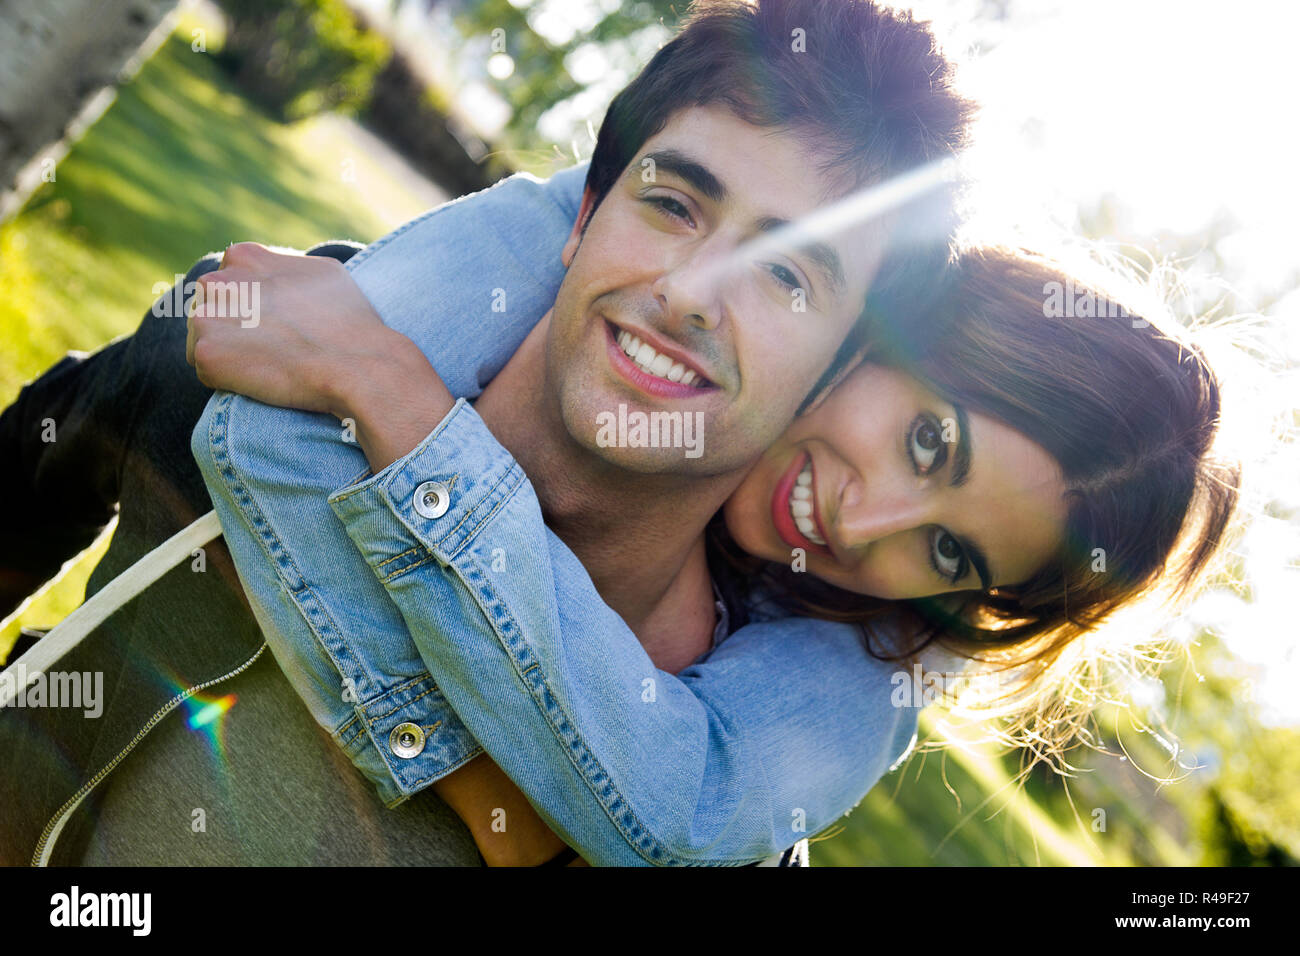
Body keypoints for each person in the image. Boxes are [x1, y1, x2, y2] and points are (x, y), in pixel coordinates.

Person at [1, 0, 975, 865]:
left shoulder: (712, 824)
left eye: (786, 276)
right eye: (673, 203)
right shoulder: (238, 346)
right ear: (584, 210)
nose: (686, 295)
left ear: (835, 375)